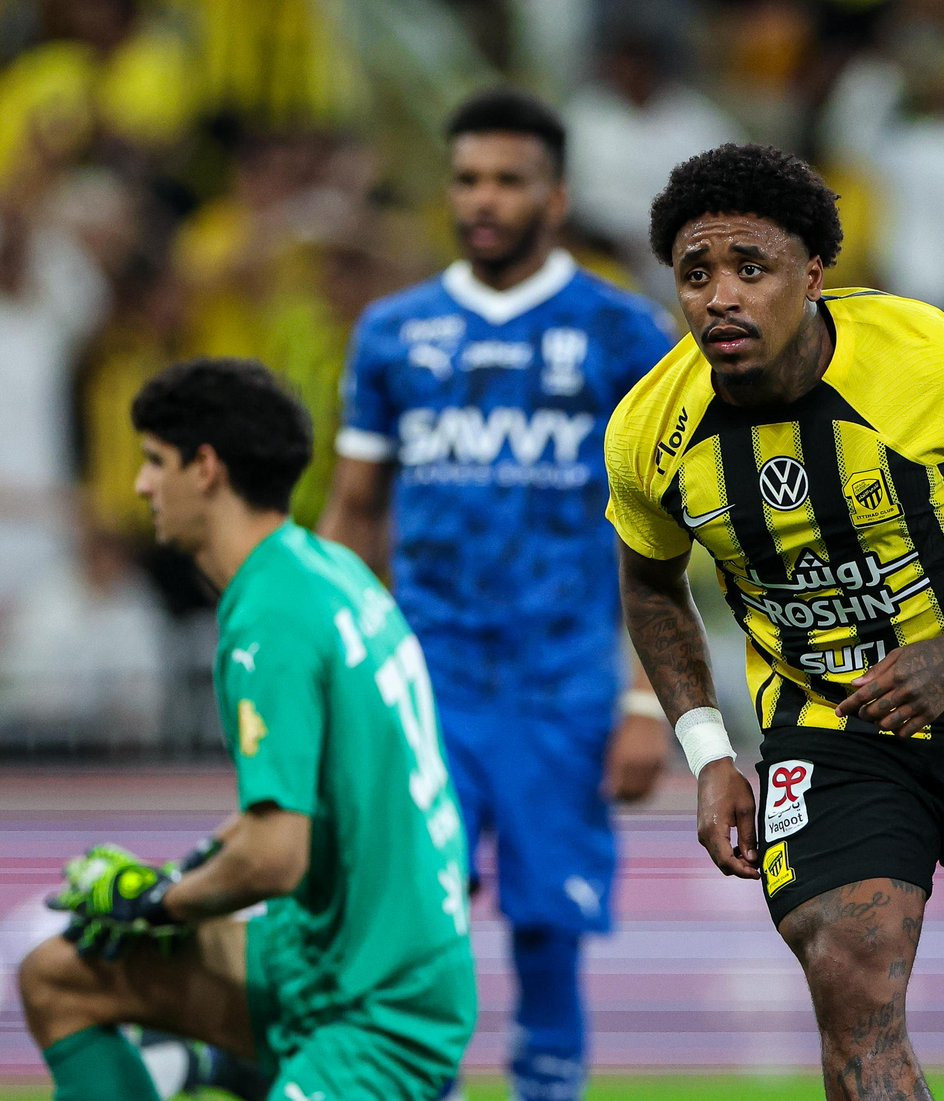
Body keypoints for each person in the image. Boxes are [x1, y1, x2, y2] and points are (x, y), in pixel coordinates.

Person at [603, 142, 944, 1101]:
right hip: (827, 725)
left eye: (751, 268)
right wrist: (709, 752)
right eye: (696, 274)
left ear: (813, 274)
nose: (720, 297)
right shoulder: (650, 430)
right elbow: (650, 583)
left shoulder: (926, 361)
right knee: (848, 971)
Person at [319, 87, 676, 1101]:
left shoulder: (622, 332)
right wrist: (335, 670)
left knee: (549, 926)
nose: (483, 199)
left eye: (508, 180)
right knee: (411, 921)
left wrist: (647, 699)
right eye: (468, 179)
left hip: (564, 681)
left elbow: (666, 534)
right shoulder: (394, 334)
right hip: (427, 677)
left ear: (555, 197)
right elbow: (354, 513)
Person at [19, 357, 476, 1101]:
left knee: (101, 953)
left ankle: (251, 1066)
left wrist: (157, 904)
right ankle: (225, 1061)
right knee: (59, 976)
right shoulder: (327, 570)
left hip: (377, 1006)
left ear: (205, 468)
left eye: (154, 461)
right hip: (339, 950)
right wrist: (175, 878)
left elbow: (273, 858)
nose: (140, 486)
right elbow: (294, 807)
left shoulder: (270, 619)